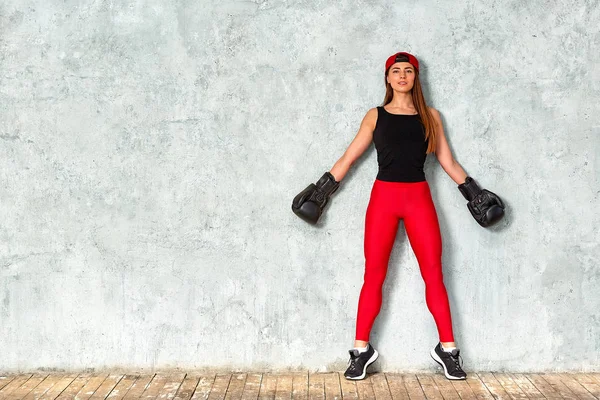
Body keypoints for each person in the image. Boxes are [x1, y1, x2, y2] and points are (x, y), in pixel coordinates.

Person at [330, 51, 468, 381]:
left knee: (434, 274)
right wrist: (323, 188)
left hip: (418, 197)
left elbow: (448, 162)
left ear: (415, 78)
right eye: (396, 71)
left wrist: (474, 191)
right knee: (373, 276)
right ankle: (360, 351)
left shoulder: (431, 116)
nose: (402, 75)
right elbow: (349, 157)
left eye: (408, 70)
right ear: (388, 79)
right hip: (384, 200)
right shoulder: (375, 116)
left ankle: (448, 350)